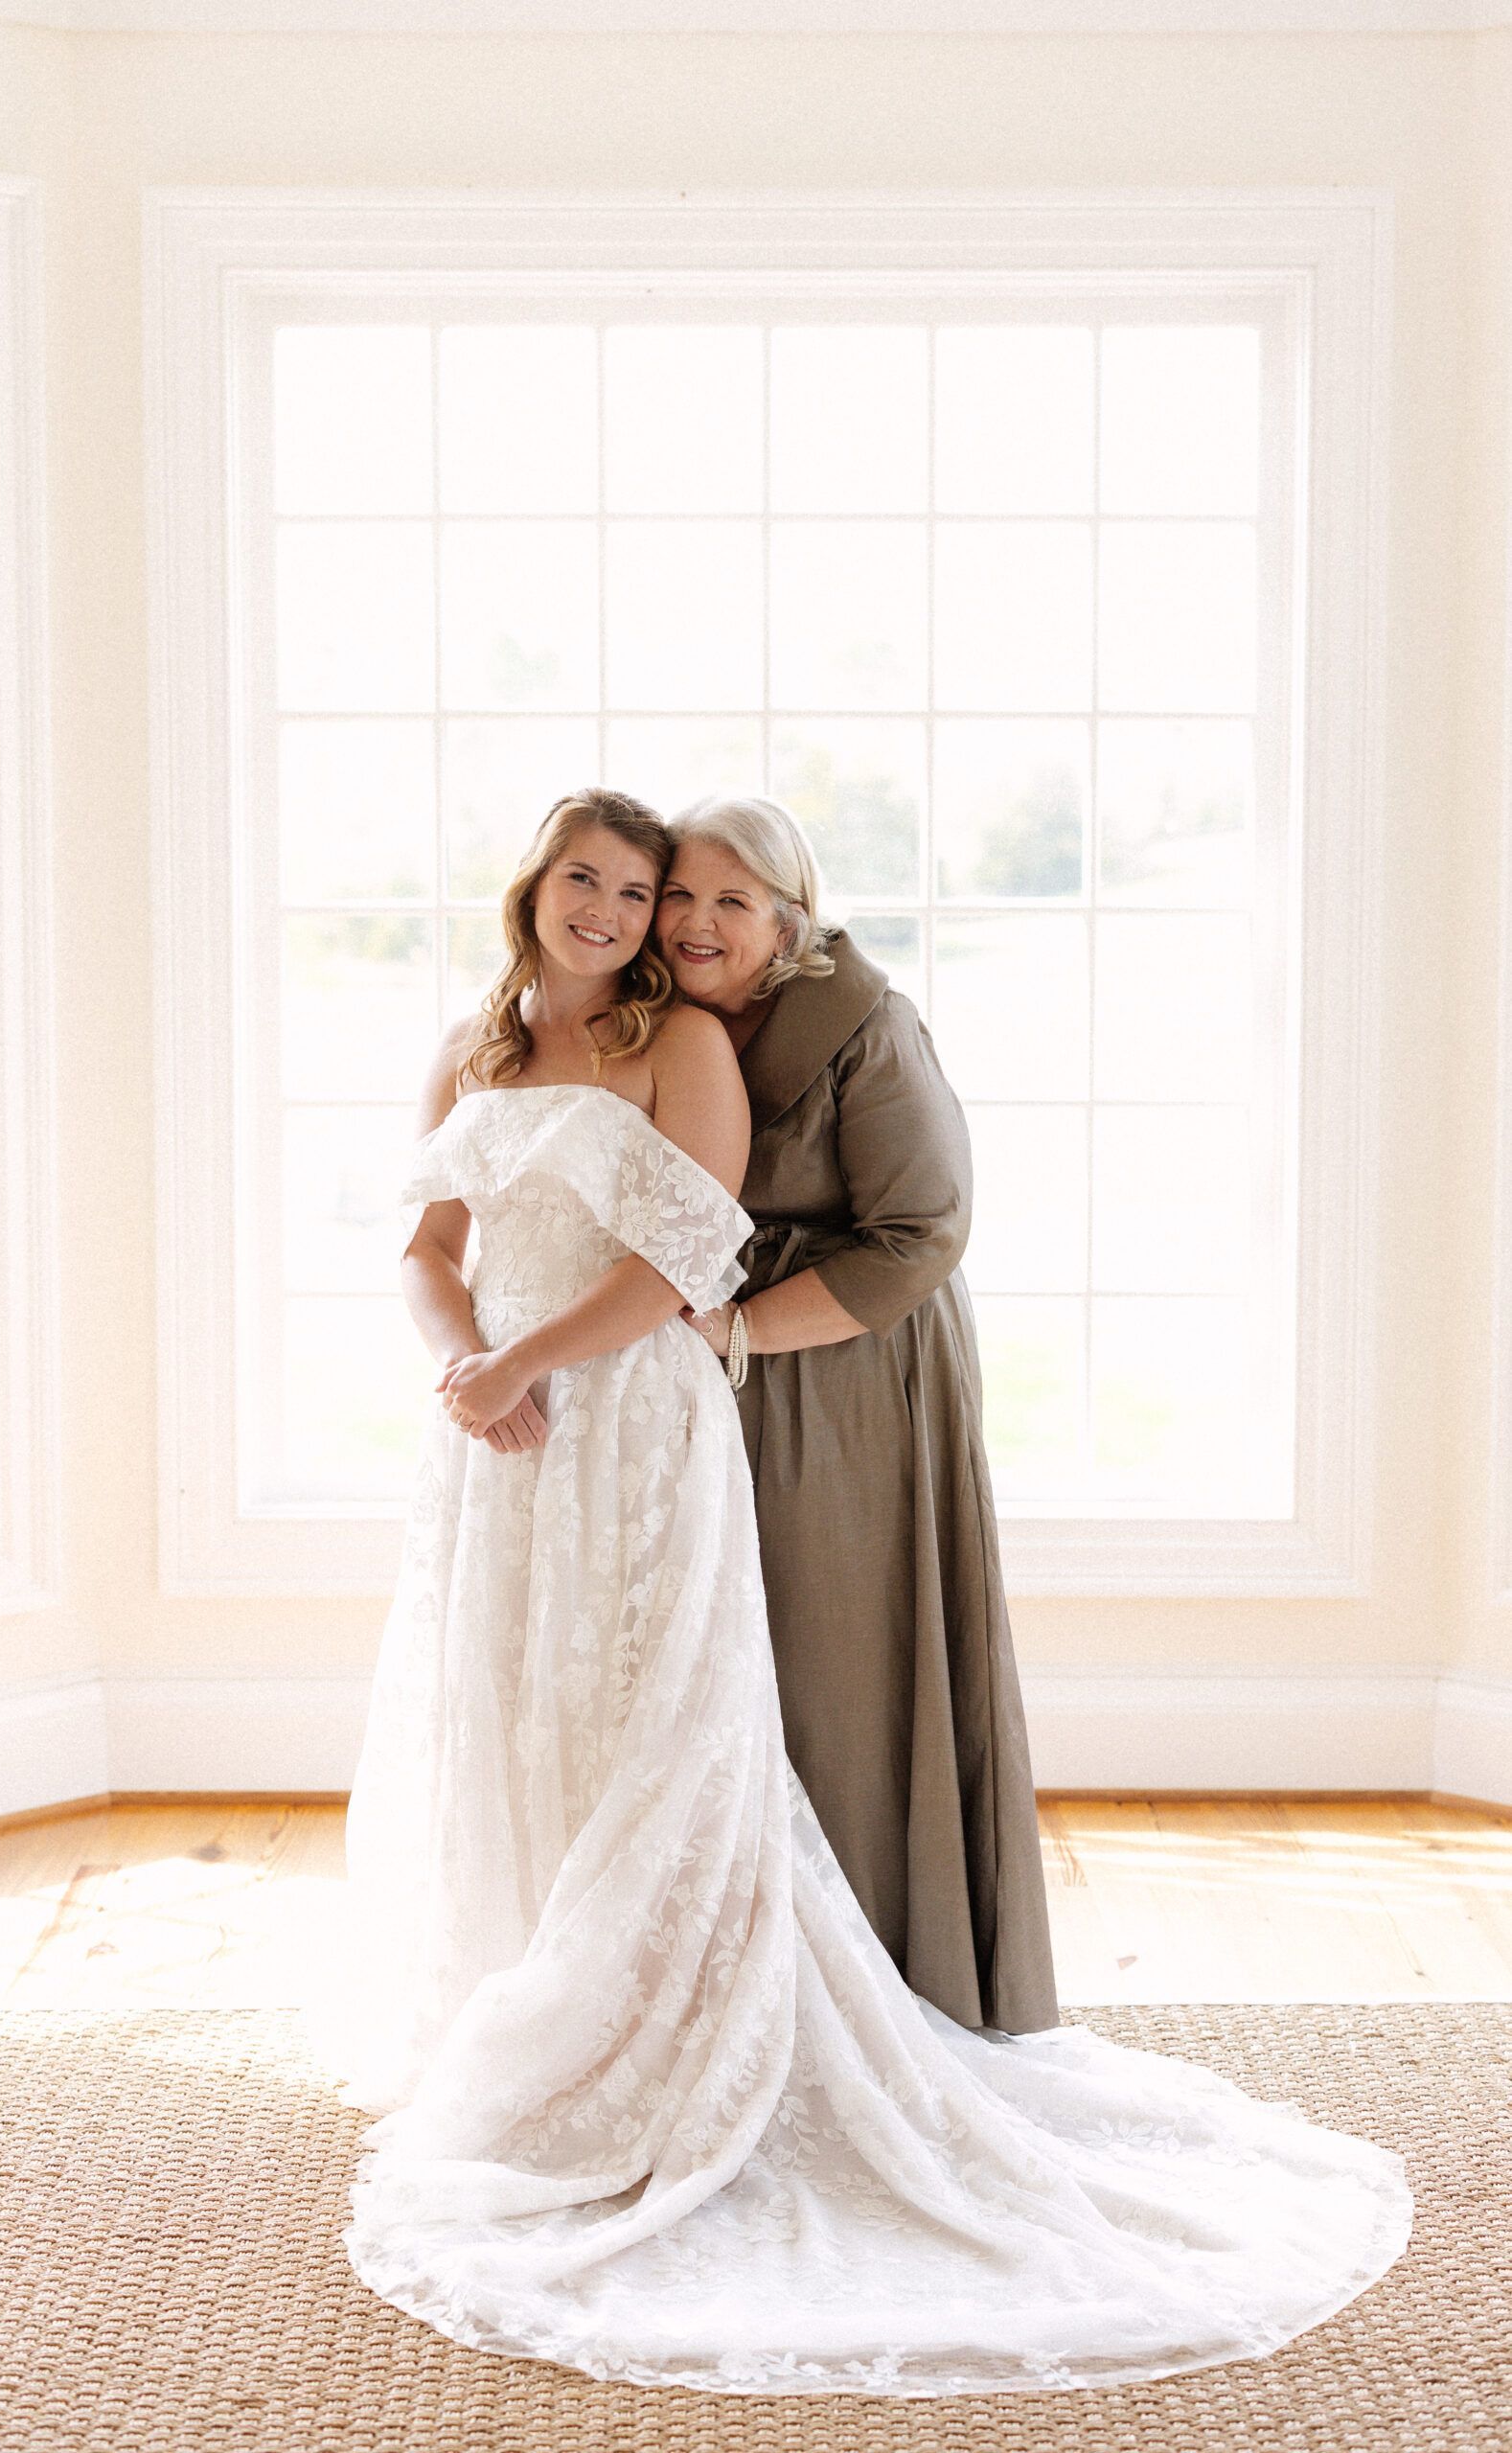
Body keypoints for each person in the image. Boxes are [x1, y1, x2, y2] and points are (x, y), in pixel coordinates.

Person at [309, 783, 1409, 2399]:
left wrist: (526, 1359)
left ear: (782, 914)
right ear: (532, 890)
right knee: (518, 1706)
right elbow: (426, 1243)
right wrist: (463, 1370)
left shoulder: (692, 1044)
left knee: (664, 1727)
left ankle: (686, 2045)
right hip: (494, 1432)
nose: (638, 917)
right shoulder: (475, 1045)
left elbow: (701, 1252)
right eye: (602, 885)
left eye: (674, 895)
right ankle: (526, 2006)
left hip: (634, 1400)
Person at [657, 793, 1055, 2035]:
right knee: (725, 1675)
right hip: (717, 1375)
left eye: (732, 901)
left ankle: (878, 1990)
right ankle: (728, 1994)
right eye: (677, 895)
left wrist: (742, 1330)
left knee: (838, 1671)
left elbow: (921, 1229)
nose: (695, 923)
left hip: (846, 1378)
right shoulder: (666, 1022)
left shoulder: (865, 1026)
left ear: (788, 918)